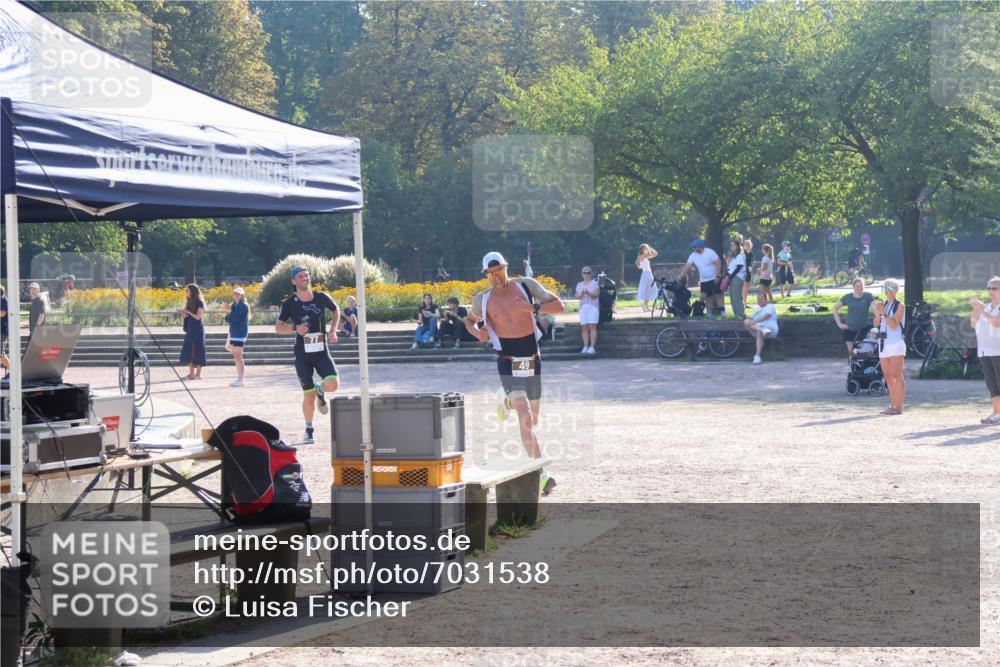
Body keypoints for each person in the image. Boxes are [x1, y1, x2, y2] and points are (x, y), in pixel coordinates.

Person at [463, 251, 565, 495]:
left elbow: (559, 306)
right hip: (507, 359)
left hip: (531, 358)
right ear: (486, 275)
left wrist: (533, 307)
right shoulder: (482, 300)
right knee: (525, 415)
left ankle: (506, 398)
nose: (497, 277)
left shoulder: (526, 286)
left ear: (506, 267)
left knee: (535, 419)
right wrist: (478, 333)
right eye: (491, 273)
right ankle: (541, 473)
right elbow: (470, 321)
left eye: (500, 271)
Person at [275, 266, 341, 445]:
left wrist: (333, 331)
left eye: (306, 275)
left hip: (321, 351)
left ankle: (322, 389)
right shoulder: (289, 303)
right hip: (302, 355)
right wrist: (294, 328)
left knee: (334, 385)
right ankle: (309, 429)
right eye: (300, 276)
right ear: (293, 281)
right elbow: (278, 327)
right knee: (308, 395)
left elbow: (336, 310)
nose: (305, 278)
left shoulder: (321, 297)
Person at [873, 279, 906, 415]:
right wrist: (878, 312)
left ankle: (899, 407)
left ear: (897, 290)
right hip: (884, 344)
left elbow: (894, 325)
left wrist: (884, 313)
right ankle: (893, 405)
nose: (888, 291)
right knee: (887, 376)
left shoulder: (900, 305)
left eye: (892, 288)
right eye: (886, 288)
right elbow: (876, 324)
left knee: (897, 375)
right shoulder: (884, 304)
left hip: (896, 343)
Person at [971, 276, 1000, 424]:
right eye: (988, 288)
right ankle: (997, 412)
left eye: (994, 288)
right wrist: (977, 309)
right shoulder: (987, 308)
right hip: (984, 350)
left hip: (998, 351)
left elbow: (996, 323)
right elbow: (973, 323)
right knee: (992, 383)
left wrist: (982, 309)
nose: (990, 291)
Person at [681, 240, 723, 317]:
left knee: (718, 295)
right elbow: (687, 266)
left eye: (694, 247)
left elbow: (718, 262)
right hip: (704, 280)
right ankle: (709, 313)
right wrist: (681, 276)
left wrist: (717, 276)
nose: (693, 248)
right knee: (707, 297)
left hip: (714, 277)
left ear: (700, 247)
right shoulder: (693, 255)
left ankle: (723, 312)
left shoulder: (710, 252)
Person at [833, 279, 875, 356]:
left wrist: (879, 315)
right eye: (857, 286)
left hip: (865, 327)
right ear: (853, 287)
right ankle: (852, 364)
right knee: (850, 350)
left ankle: (863, 365)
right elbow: (835, 308)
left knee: (865, 347)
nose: (859, 288)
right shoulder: (847, 297)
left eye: (861, 286)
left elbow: (875, 309)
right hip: (849, 327)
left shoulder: (868, 296)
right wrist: (839, 324)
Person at [178, 284, 206, 380]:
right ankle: (191, 374)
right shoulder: (189, 302)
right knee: (188, 350)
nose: (187, 293)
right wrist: (184, 313)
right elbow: (188, 317)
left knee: (198, 350)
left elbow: (198, 317)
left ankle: (198, 374)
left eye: (188, 291)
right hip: (190, 329)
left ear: (193, 292)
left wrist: (188, 312)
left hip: (198, 330)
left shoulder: (199, 302)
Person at [223, 286, 249, 387]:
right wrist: (229, 312)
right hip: (234, 333)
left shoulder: (244, 306)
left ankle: (241, 379)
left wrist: (229, 312)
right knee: (236, 356)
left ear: (242, 295)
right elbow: (228, 319)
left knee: (238, 356)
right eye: (235, 293)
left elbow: (235, 318)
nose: (236, 295)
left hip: (240, 334)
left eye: (238, 294)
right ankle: (239, 378)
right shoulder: (234, 305)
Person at [743, 292, 779, 364]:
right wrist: (745, 317)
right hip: (760, 329)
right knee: (746, 321)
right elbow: (751, 321)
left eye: (762, 299)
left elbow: (766, 316)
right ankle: (762, 330)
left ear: (766, 299)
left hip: (771, 330)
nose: (760, 300)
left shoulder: (770, 306)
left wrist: (754, 321)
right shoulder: (756, 310)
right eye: (758, 299)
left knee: (758, 332)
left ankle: (757, 356)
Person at [576, 266, 600, 354]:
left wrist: (589, 293)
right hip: (583, 307)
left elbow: (597, 295)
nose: (586, 275)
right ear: (582, 274)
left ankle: (592, 347)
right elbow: (577, 297)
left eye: (588, 273)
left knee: (592, 327)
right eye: (584, 273)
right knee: (584, 328)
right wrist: (581, 294)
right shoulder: (579, 284)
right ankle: (586, 346)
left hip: (592, 307)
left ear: (591, 274)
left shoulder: (594, 283)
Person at [722, 237, 747, 318]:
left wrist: (729, 277)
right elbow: (731, 268)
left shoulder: (740, 255)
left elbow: (739, 268)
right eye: (731, 245)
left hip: (737, 278)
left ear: (737, 246)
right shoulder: (734, 256)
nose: (731, 247)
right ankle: (736, 315)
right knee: (732, 297)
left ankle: (741, 314)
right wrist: (726, 275)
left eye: (733, 245)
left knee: (737, 296)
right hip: (732, 278)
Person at [635, 244, 659, 312]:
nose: (646, 249)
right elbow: (650, 253)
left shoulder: (645, 257)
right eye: (644, 248)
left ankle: (645, 305)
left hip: (649, 273)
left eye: (646, 248)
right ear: (642, 250)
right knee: (647, 289)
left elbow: (655, 253)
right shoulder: (642, 256)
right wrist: (647, 247)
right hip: (645, 274)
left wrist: (648, 247)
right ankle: (645, 305)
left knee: (650, 289)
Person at [742, 239, 755, 304]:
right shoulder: (742, 253)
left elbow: (753, 262)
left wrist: (752, 267)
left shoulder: (751, 253)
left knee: (747, 286)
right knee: (744, 285)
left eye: (748, 244)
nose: (747, 246)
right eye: (746, 244)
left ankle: (745, 301)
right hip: (743, 271)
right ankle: (743, 302)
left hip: (749, 271)